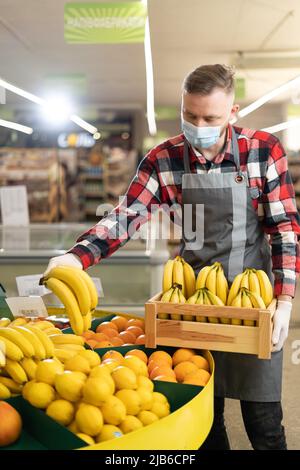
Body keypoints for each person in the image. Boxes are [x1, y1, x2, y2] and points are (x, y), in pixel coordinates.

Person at [44, 64, 300, 450]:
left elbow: (283, 230)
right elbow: (127, 215)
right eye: (189, 116)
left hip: (253, 303)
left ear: (232, 112)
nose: (199, 126)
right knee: (204, 421)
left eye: (210, 117)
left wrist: (283, 302)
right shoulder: (164, 159)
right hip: (190, 302)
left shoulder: (263, 151)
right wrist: (77, 257)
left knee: (263, 422)